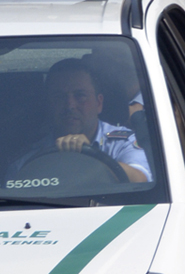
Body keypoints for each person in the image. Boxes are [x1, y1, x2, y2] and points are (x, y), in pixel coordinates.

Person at [11, 58, 151, 182]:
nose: (70, 105)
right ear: (48, 104)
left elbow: (141, 178)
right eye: (59, 97)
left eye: (80, 96)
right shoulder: (30, 156)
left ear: (99, 103)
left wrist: (92, 156)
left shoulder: (122, 142)